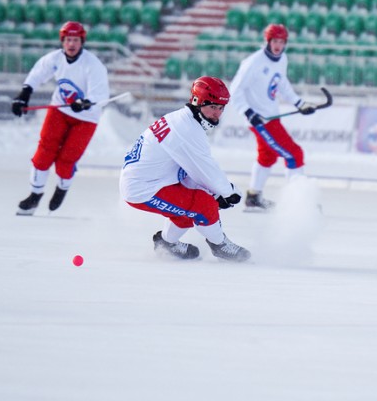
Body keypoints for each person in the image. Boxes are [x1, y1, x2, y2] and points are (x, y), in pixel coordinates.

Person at [119, 76, 250, 262]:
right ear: (197, 102)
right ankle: (220, 245)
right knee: (203, 204)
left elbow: (191, 171)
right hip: (143, 189)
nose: (217, 113)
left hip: (151, 181)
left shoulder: (181, 119)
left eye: (221, 108)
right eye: (213, 106)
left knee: (192, 204)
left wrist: (216, 191)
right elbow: (205, 169)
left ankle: (166, 244)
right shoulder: (188, 129)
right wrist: (228, 193)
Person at [11, 21, 110, 215]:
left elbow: (100, 94)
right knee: (45, 150)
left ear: (82, 42)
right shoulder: (55, 58)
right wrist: (24, 95)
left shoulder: (93, 64)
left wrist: (85, 102)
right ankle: (35, 195)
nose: (71, 44)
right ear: (62, 42)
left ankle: (62, 188)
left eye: (75, 40)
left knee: (67, 159)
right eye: (68, 40)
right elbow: (37, 74)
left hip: (86, 118)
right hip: (60, 110)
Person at [228, 23, 316, 210]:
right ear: (268, 41)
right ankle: (297, 203)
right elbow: (234, 91)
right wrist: (249, 113)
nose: (278, 45)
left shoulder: (282, 58)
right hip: (261, 120)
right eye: (275, 41)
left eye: (282, 42)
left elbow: (282, 84)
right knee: (294, 153)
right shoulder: (253, 62)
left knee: (267, 156)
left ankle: (253, 197)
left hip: (272, 116)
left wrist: (300, 103)